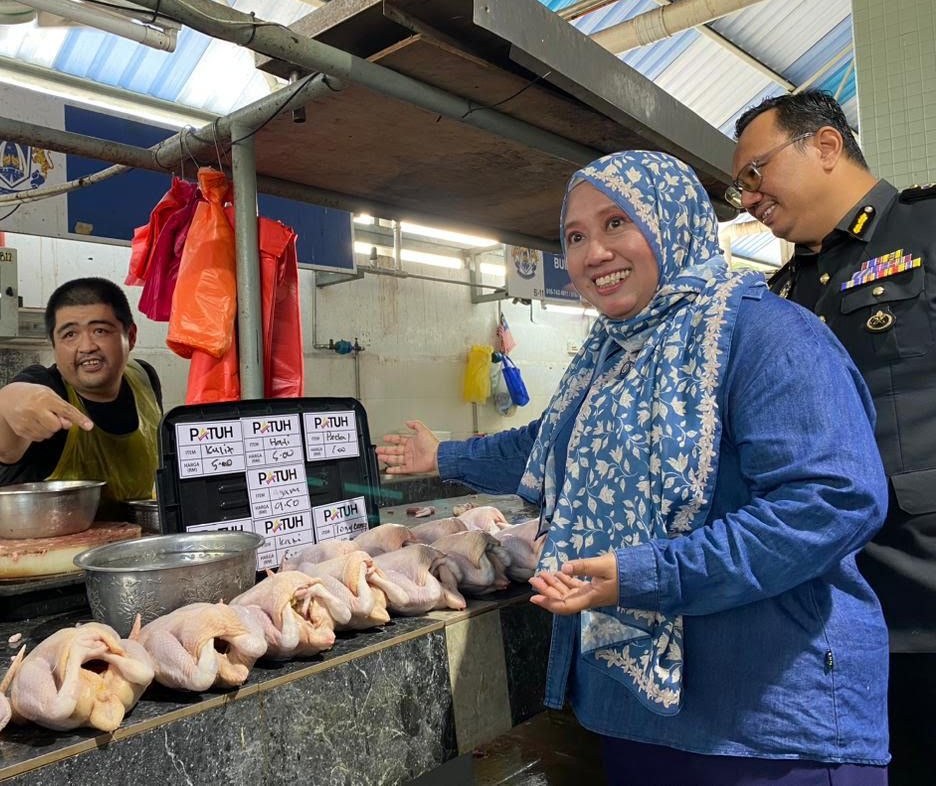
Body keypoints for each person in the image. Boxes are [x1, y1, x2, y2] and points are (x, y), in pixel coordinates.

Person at [378, 151, 890, 783]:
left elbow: (829, 503)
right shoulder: (610, 357)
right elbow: (550, 445)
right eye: (574, 236)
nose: (593, 253)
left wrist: (645, 573)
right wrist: (444, 456)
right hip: (634, 713)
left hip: (767, 723)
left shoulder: (768, 336)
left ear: (673, 222)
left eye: (617, 223)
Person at [732, 90, 936, 784]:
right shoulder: (784, 290)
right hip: (832, 618)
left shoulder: (928, 235)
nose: (748, 198)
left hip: (926, 591)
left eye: (756, 173)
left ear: (824, 146)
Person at [0, 277, 162, 512]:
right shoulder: (45, 387)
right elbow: (4, 444)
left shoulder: (143, 377)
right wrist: (7, 399)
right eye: (69, 335)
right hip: (28, 544)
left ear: (131, 336)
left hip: (122, 543)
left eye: (100, 330)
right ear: (54, 346)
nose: (86, 346)